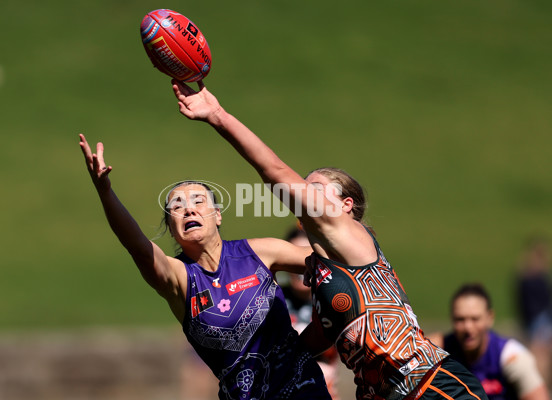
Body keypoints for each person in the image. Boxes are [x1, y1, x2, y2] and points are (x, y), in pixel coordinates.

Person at [171, 79, 488, 400]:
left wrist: (218, 116)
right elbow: (311, 341)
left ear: (346, 206)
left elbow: (274, 171)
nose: (305, 194)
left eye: (315, 188)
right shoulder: (324, 277)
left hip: (432, 387)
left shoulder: (352, 235)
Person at [78, 134, 332, 400]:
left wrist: (348, 226)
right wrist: (104, 191)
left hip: (304, 390)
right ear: (172, 230)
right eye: (177, 206)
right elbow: (138, 248)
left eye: (198, 201)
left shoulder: (258, 252)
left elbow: (330, 260)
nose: (189, 210)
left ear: (217, 215)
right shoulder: (179, 278)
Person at [429, 283, 549, 400]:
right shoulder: (439, 350)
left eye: (475, 319)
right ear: (452, 319)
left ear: (489, 317)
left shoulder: (511, 357)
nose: (468, 328)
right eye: (460, 319)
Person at [280, 227, 341, 400]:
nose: (302, 265)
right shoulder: (271, 301)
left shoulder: (333, 301)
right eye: (295, 258)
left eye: (307, 258)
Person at [516, 235, 552, 388]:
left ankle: (539, 386)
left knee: (540, 354)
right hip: (539, 319)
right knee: (540, 355)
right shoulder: (533, 275)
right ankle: (540, 386)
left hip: (536, 319)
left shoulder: (526, 273)